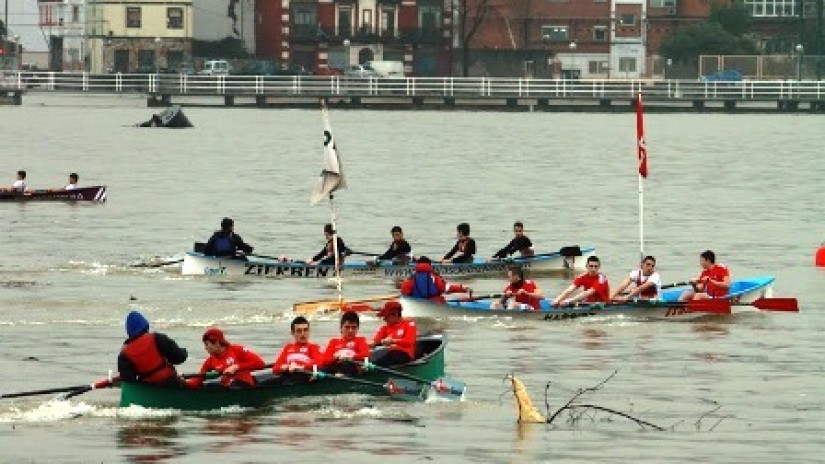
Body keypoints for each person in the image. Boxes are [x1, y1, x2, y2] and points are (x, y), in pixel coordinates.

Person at [117, 310, 188, 387]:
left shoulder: (123, 355)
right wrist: (184, 352)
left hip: (147, 389)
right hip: (171, 382)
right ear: (145, 325)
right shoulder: (157, 338)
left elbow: (129, 383)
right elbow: (178, 358)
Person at [186, 327, 266, 389]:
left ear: (217, 343)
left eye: (207, 344)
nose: (205, 348)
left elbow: (260, 364)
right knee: (210, 386)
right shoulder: (210, 361)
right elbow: (198, 380)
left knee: (234, 383)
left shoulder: (236, 349)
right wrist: (181, 381)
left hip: (244, 386)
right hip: (227, 388)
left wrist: (236, 367)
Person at [321, 311, 370, 377]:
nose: (350, 330)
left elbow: (365, 354)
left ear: (357, 329)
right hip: (336, 366)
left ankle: (339, 377)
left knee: (346, 364)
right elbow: (324, 360)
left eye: (354, 328)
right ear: (341, 328)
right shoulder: (334, 342)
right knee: (323, 368)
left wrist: (350, 358)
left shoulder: (360, 340)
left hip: (351, 367)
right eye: (347, 327)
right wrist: (336, 359)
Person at [368, 301, 417, 367]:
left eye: (386, 317)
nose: (384, 319)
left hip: (405, 354)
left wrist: (393, 341)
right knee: (370, 356)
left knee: (392, 355)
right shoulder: (385, 328)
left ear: (395, 314)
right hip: (391, 354)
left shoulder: (409, 324)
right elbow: (375, 340)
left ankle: (372, 368)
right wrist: (369, 344)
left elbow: (409, 341)